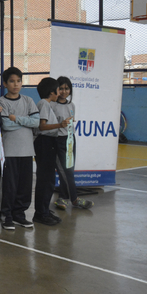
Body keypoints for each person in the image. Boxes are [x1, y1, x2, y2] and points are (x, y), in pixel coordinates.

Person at [0, 67, 40, 231]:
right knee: (9, 185)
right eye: (12, 81)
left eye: (19, 81)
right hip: (9, 151)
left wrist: (17, 119)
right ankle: (6, 215)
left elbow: (36, 122)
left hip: (27, 151)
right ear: (5, 83)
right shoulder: (2, 102)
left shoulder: (28, 100)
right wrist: (25, 120)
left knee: (24, 186)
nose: (16, 84)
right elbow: (6, 124)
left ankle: (19, 214)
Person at [51, 77, 94, 210]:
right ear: (56, 90)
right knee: (65, 171)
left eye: (67, 88)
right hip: (58, 140)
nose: (64, 91)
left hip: (70, 140)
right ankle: (74, 199)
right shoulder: (52, 105)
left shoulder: (71, 105)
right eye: (61, 88)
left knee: (69, 170)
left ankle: (62, 198)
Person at [33, 78, 69, 226]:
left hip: (50, 143)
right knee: (45, 180)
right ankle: (40, 213)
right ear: (51, 92)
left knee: (49, 180)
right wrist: (59, 125)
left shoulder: (47, 105)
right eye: (58, 90)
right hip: (44, 143)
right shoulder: (43, 104)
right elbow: (42, 127)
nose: (60, 93)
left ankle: (44, 211)